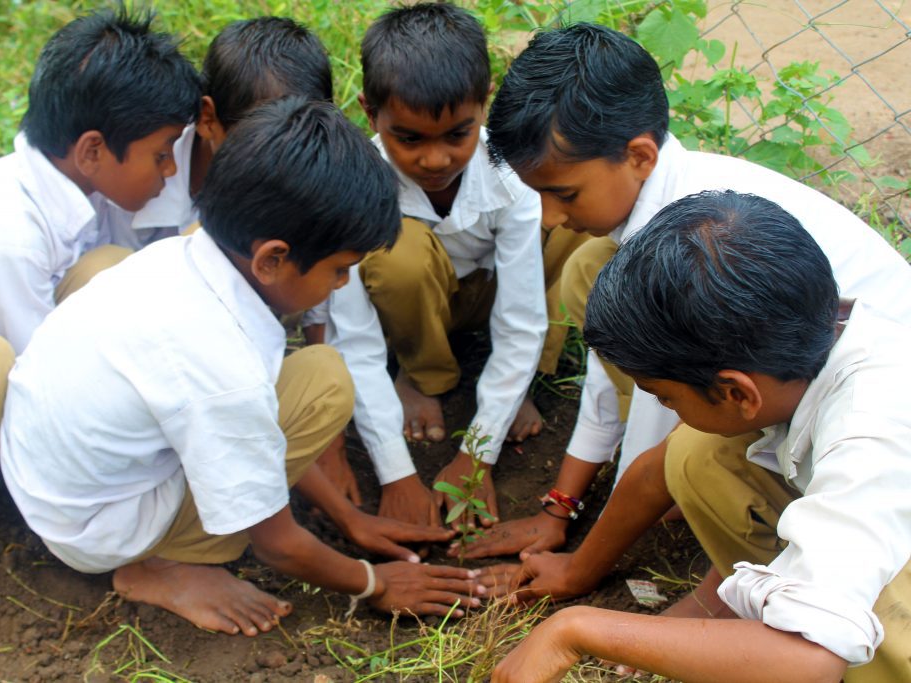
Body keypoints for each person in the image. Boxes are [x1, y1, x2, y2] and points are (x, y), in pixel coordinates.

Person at [0, 98, 483, 638]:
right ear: (271, 259)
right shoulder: (221, 368)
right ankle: (156, 567)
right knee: (323, 383)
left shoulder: (178, 257)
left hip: (48, 478)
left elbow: (255, 441)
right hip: (97, 530)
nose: (342, 285)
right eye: (339, 269)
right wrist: (375, 582)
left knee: (315, 370)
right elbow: (277, 545)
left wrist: (349, 519)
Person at [466, 21, 911, 560]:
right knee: (589, 267)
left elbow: (659, 436)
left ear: (639, 157)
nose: (549, 217)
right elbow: (612, 374)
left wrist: (584, 559)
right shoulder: (674, 223)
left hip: (865, 424)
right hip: (784, 380)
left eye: (563, 193)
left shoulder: (696, 253)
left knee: (688, 457)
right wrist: (562, 501)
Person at [493, 190, 911, 683]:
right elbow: (657, 470)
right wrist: (581, 571)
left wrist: (577, 629)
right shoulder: (811, 343)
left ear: (737, 393)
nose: (664, 410)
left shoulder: (871, 429)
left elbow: (809, 660)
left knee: (857, 638)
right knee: (698, 453)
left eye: (665, 398)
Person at [0, 6, 201, 594]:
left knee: (111, 271)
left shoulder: (90, 190)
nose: (167, 172)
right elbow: (32, 371)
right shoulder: (2, 235)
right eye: (160, 153)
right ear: (92, 150)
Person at [308, 2, 578, 530]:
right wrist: (397, 475)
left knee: (570, 224)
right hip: (409, 302)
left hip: (488, 290)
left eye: (458, 134)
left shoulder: (510, 177)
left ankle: (517, 389)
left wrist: (477, 455)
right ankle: (425, 376)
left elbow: (520, 321)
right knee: (396, 254)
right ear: (370, 113)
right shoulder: (356, 186)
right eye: (408, 138)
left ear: (484, 105)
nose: (435, 160)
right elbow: (355, 342)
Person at [122, 15, 333, 248]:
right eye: (263, 142)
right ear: (208, 119)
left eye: (302, 139)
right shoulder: (135, 176)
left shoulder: (312, 177)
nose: (283, 158)